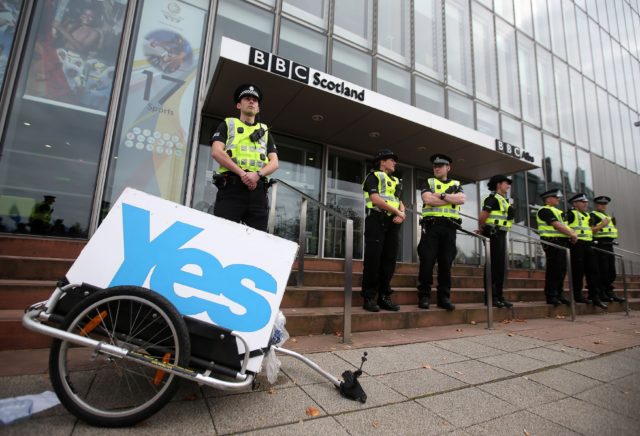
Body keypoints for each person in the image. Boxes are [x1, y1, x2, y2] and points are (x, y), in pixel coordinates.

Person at [210, 83, 278, 231]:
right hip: (231, 189)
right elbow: (216, 152)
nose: (252, 101)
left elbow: (274, 163)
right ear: (238, 105)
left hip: (257, 193)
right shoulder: (227, 124)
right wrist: (243, 174)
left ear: (258, 108)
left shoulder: (265, 131)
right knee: (222, 235)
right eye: (247, 98)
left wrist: (258, 175)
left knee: (257, 241)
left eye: (255, 100)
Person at [417, 154, 465, 311]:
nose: (436, 168)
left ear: (448, 168)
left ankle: (443, 298)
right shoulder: (428, 182)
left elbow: (461, 199)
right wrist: (450, 198)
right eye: (435, 166)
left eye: (440, 165)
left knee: (446, 264)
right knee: (427, 262)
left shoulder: (457, 184)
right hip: (431, 227)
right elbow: (428, 200)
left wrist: (442, 195)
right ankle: (424, 296)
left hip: (450, 229)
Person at [361, 149, 405, 312]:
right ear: (382, 162)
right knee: (373, 260)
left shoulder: (396, 180)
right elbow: (375, 199)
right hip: (376, 220)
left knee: (389, 261)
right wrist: (397, 212)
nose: (394, 162)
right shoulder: (373, 176)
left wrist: (402, 214)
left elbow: (400, 202)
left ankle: (384, 297)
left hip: (393, 223)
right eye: (391, 160)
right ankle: (369, 297)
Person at [477, 175, 514, 309]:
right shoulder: (492, 199)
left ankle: (499, 296)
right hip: (493, 234)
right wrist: (481, 230)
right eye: (506, 183)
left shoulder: (504, 200)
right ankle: (491, 298)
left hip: (501, 235)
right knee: (493, 267)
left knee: (500, 268)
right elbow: (482, 217)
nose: (508, 186)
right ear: (499, 184)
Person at [565, 193, 607, 309]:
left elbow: (590, 230)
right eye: (582, 202)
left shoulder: (588, 216)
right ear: (575, 203)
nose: (585, 204)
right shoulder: (570, 214)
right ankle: (577, 295)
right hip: (576, 245)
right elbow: (564, 227)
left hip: (588, 245)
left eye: (586, 202)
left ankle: (595, 296)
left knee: (594, 271)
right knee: (578, 271)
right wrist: (570, 237)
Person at [536, 189, 576, 306]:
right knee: (554, 269)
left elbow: (564, 226)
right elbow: (557, 225)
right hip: (552, 243)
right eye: (556, 197)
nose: (558, 199)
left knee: (561, 270)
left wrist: (571, 235)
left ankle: (559, 294)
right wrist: (572, 234)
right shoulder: (544, 210)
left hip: (561, 243)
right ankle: (551, 295)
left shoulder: (557, 211)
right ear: (548, 199)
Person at [590, 196, 625, 303]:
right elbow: (590, 230)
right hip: (600, 245)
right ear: (596, 205)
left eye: (605, 204)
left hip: (609, 245)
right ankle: (602, 292)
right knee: (603, 270)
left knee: (611, 271)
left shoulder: (607, 216)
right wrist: (602, 225)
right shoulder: (593, 215)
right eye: (601, 204)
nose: (604, 206)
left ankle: (608, 291)